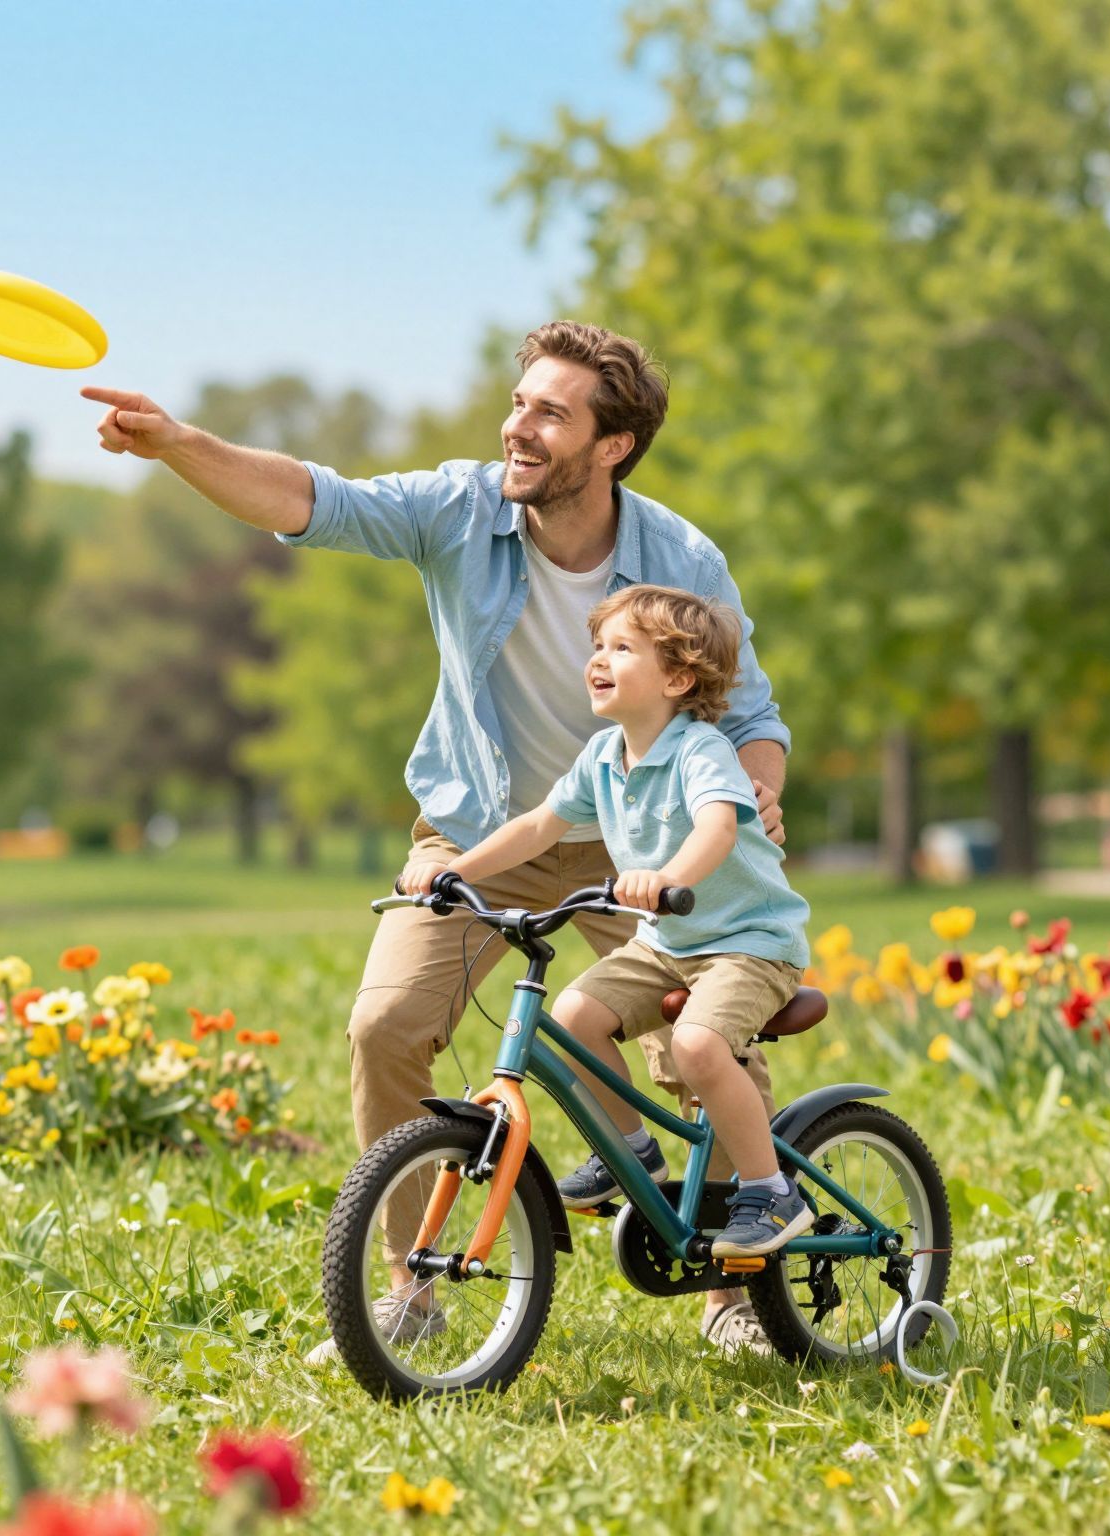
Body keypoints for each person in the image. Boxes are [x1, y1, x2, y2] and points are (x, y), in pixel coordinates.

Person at [80, 320, 793, 1353]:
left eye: (550, 413)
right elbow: (312, 500)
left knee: (706, 1040)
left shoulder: (678, 557)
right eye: (519, 404)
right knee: (384, 1028)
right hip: (483, 831)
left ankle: (735, 1295)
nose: (518, 428)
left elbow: (751, 717)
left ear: (611, 447)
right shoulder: (461, 508)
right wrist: (178, 445)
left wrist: (755, 799)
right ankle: (410, 1291)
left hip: (646, 841)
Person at [405, 586, 813, 1256]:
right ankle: (631, 1151)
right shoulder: (602, 755)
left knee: (699, 1047)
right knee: (573, 1017)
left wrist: (669, 878)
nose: (598, 658)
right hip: (668, 943)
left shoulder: (699, 751)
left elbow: (715, 826)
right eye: (598, 645)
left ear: (677, 678)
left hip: (748, 945)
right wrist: (458, 870)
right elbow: (539, 825)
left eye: (621, 648)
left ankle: (771, 1192)